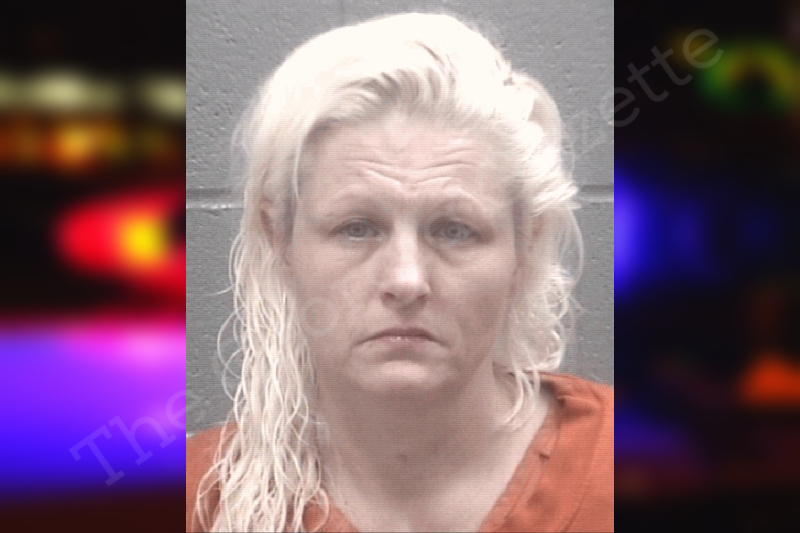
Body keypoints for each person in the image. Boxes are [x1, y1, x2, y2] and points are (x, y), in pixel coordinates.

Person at [186, 12, 613, 533]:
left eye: (454, 230)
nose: (407, 280)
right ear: (280, 240)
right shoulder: (197, 499)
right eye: (357, 228)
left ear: (524, 248)